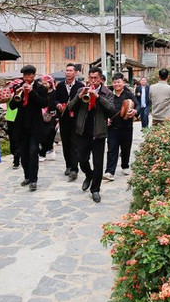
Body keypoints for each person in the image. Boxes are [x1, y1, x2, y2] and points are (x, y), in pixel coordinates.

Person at [68, 66, 115, 203]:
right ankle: (89, 175)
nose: (93, 81)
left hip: (98, 133)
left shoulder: (107, 93)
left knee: (98, 163)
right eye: (91, 78)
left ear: (101, 79)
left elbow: (112, 110)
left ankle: (95, 190)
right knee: (82, 160)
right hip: (82, 132)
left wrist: (98, 97)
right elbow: (70, 107)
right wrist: (79, 95)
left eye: (96, 78)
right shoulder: (80, 90)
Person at [9, 64, 48, 191]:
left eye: (29, 75)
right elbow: (12, 106)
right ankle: (27, 176)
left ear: (33, 76)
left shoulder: (40, 88)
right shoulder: (18, 87)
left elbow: (43, 103)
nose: (27, 78)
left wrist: (32, 92)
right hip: (21, 126)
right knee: (24, 153)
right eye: (25, 75)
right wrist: (18, 95)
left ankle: (33, 180)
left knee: (33, 152)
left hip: (35, 126)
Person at [52, 63, 84, 180]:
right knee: (66, 144)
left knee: (75, 144)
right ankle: (68, 165)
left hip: (75, 119)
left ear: (75, 72)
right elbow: (54, 99)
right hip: (64, 118)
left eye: (71, 70)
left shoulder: (80, 86)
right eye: (67, 70)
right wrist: (58, 104)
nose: (68, 72)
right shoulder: (60, 85)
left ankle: (75, 169)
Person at [104, 73, 139, 180]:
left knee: (126, 148)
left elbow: (137, 105)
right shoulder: (108, 93)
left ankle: (125, 165)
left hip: (126, 127)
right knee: (112, 149)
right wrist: (106, 118)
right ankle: (109, 172)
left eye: (118, 82)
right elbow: (103, 107)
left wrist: (134, 111)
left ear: (123, 82)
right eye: (114, 82)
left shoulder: (129, 93)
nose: (116, 84)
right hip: (112, 127)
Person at [38, 74, 58, 161]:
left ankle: (47, 150)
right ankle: (45, 152)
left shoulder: (55, 92)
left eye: (46, 83)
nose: (44, 85)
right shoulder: (40, 92)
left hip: (52, 116)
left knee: (49, 134)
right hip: (41, 115)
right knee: (42, 135)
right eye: (43, 83)